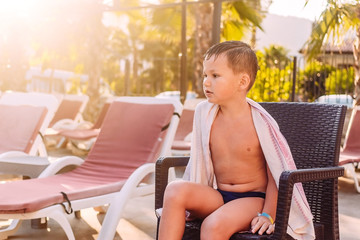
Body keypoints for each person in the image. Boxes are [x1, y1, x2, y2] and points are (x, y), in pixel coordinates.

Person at [158, 41, 315, 240]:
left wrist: (268, 214)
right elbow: (200, 161)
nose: (206, 82)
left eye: (215, 76)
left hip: (252, 199)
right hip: (217, 195)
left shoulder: (261, 122)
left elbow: (278, 173)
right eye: (205, 75)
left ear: (242, 82)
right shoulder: (204, 114)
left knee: (212, 226)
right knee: (174, 190)